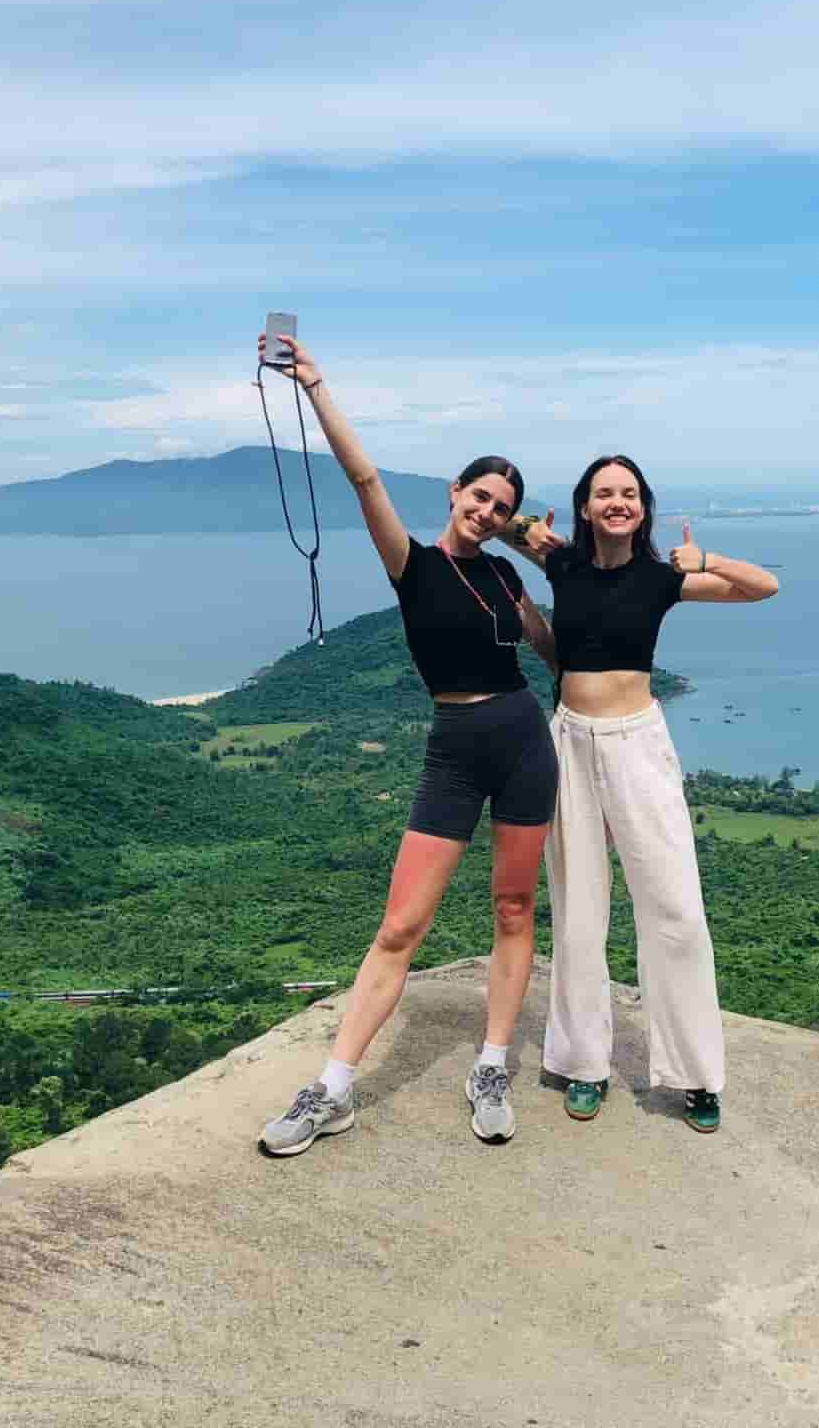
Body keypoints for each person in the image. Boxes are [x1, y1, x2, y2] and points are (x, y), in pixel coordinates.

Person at [256, 334, 560, 1154]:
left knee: (514, 908)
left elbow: (554, 653)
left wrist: (559, 569)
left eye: (502, 507)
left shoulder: (506, 576)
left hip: (527, 742)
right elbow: (364, 479)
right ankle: (334, 1088)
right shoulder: (415, 565)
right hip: (455, 749)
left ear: (509, 519)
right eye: (479, 496)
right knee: (400, 927)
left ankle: (492, 1064)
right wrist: (316, 386)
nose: (486, 511)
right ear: (457, 493)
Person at [506, 455, 778, 1134]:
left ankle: (695, 1076)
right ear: (585, 506)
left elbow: (763, 587)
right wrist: (525, 531)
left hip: (637, 744)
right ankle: (583, 1064)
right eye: (604, 493)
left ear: (644, 508)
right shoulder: (561, 564)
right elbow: (481, 519)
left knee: (676, 911)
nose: (617, 502)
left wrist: (702, 556)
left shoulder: (664, 577)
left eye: (628, 493)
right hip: (569, 740)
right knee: (577, 913)